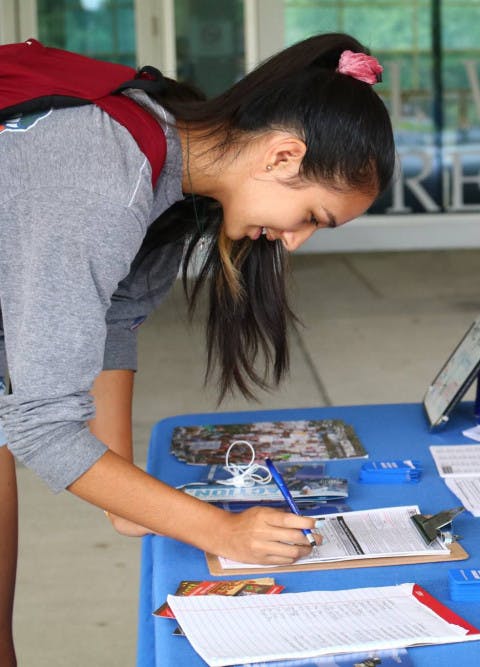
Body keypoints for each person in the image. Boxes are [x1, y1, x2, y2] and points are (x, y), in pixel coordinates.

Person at [0, 32, 395, 664]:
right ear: (283, 155)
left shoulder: (169, 162)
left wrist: (130, 505)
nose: (294, 243)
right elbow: (41, 425)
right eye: (314, 217)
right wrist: (218, 529)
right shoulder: (104, 174)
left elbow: (113, 320)